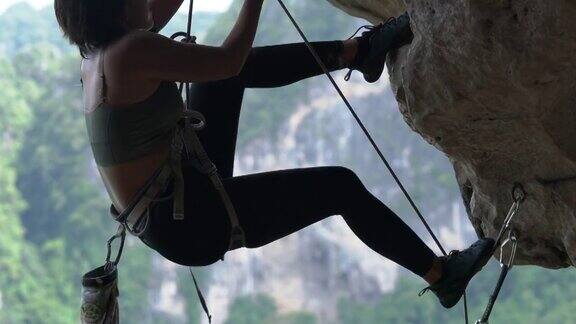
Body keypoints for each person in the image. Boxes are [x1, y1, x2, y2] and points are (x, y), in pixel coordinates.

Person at [55, 0, 493, 309]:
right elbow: (228, 58)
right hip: (191, 220)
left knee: (216, 82)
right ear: (113, 7)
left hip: (172, 210)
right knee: (338, 186)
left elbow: (159, 14)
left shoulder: (99, 54)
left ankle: (358, 52)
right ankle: (441, 276)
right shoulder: (132, 53)